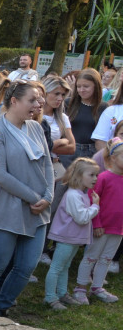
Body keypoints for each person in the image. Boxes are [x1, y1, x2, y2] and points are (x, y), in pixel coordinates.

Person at [0, 81, 53, 316]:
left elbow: (48, 163)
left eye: (39, 100)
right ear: (14, 101)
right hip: (5, 207)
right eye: (33, 100)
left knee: (27, 266)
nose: (38, 104)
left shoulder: (36, 127)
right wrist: (33, 197)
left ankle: (1, 309)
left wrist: (48, 196)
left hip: (39, 207)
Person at [73, 140, 123, 305]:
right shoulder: (103, 177)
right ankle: (80, 288)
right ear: (113, 158)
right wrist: (97, 224)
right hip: (101, 227)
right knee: (91, 257)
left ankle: (97, 287)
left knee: (107, 258)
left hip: (119, 228)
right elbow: (92, 201)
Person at [46, 158, 100, 310]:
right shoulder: (73, 195)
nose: (95, 179)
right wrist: (96, 207)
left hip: (73, 239)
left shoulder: (81, 194)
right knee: (57, 267)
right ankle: (50, 297)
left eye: (96, 175)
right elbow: (82, 218)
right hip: (66, 238)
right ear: (78, 175)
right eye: (91, 175)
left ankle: (62, 293)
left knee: (65, 266)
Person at [64, 68, 104, 167]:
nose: (81, 90)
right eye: (78, 86)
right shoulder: (69, 103)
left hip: (91, 152)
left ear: (96, 86)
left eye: (86, 86)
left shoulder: (103, 107)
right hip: (69, 151)